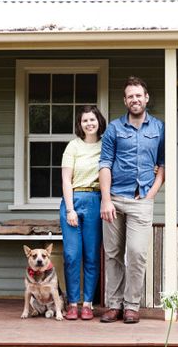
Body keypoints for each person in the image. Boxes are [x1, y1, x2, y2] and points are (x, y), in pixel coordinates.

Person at [99, 77, 165, 324]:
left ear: (146, 98)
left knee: (137, 253)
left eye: (139, 95)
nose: (135, 99)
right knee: (113, 254)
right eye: (130, 96)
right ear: (125, 101)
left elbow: (163, 165)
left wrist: (151, 193)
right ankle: (114, 305)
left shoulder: (159, 128)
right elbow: (105, 164)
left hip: (141, 200)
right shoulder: (114, 129)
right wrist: (106, 199)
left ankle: (132, 305)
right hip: (114, 198)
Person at [60, 105, 107, 321]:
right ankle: (72, 303)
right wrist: (70, 209)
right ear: (80, 124)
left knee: (91, 256)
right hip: (74, 201)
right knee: (71, 255)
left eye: (92, 119)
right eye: (85, 120)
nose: (89, 123)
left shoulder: (106, 145)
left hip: (96, 200)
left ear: (99, 121)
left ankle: (87, 303)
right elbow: (66, 180)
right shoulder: (73, 146)